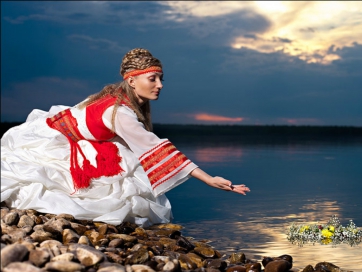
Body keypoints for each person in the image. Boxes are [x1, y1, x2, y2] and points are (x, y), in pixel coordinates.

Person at [1, 48, 250, 227]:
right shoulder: (120, 112)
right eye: (152, 78)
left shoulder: (115, 97)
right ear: (132, 81)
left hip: (67, 128)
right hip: (53, 138)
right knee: (48, 184)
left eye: (161, 78)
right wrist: (207, 179)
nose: (160, 84)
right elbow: (156, 146)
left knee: (127, 160)